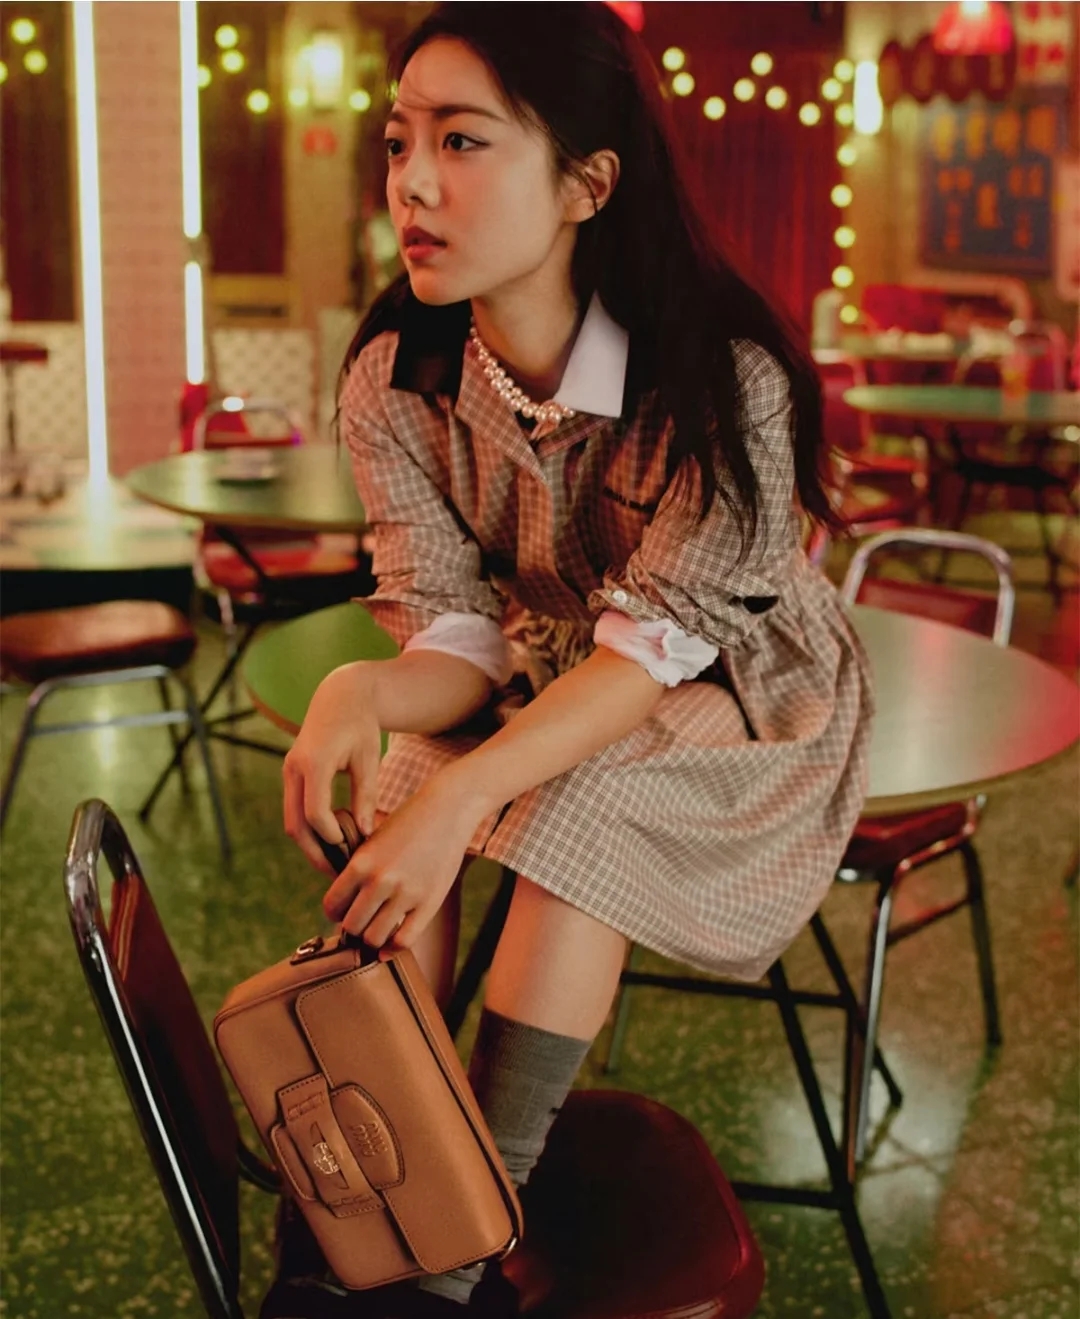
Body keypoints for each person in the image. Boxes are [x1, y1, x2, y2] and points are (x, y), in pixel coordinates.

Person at [283, 4, 873, 1313]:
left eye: (462, 141)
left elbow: (657, 654)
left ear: (587, 184)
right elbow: (455, 633)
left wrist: (469, 794)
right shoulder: (397, 373)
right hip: (554, 663)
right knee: (407, 777)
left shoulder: (721, 375)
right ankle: (370, 1194)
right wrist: (360, 691)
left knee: (564, 812)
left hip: (742, 687)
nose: (412, 182)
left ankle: (454, 1250)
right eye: (400, 141)